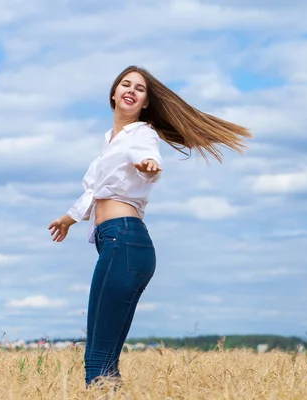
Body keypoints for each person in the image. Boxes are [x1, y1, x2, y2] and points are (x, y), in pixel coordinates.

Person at [48, 65, 251, 387]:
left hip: (124, 241)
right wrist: (68, 219)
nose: (131, 89)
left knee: (98, 359)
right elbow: (96, 192)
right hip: (116, 244)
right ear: (113, 94)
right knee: (100, 358)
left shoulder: (142, 134)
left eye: (139, 88)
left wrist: (149, 166)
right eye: (125, 84)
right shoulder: (109, 141)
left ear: (145, 103)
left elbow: (147, 159)